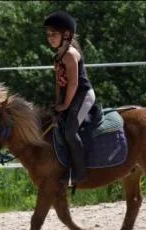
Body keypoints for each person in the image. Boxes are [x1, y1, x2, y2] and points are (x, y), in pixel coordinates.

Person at [44, 10, 96, 186]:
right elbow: (59, 83)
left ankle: (80, 174)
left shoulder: (70, 54)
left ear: (66, 35)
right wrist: (58, 103)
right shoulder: (57, 56)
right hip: (70, 97)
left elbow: (73, 84)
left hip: (82, 96)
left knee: (70, 131)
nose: (50, 37)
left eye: (54, 34)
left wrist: (65, 105)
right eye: (48, 34)